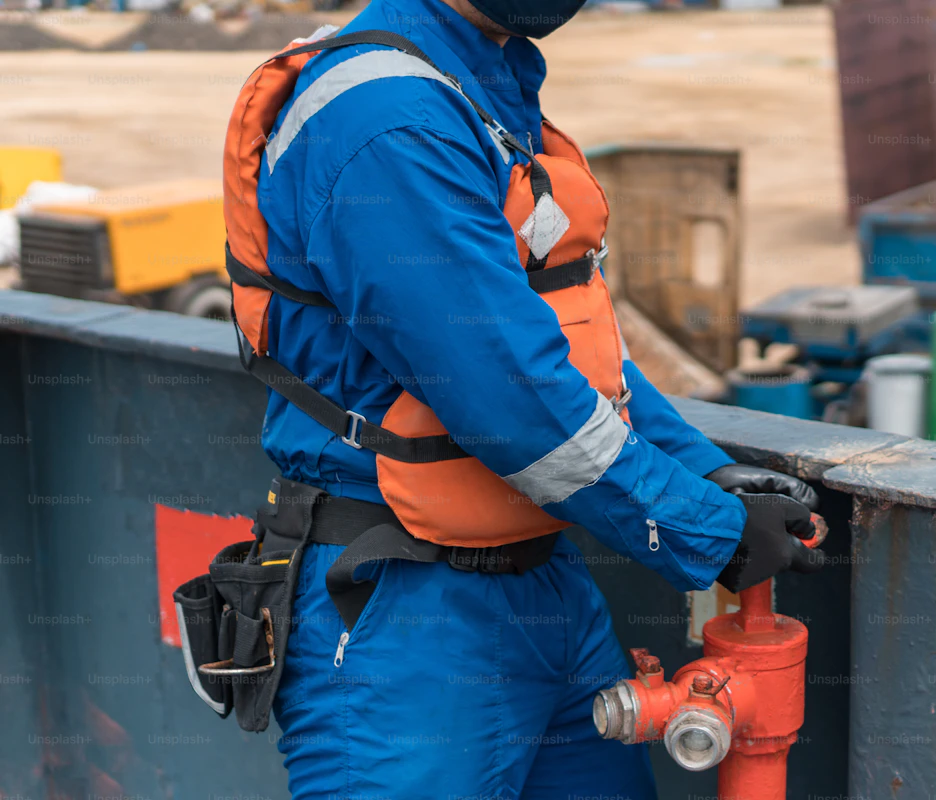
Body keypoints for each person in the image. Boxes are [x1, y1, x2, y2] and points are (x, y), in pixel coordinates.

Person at [230, 0, 824, 795]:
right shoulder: (387, 121)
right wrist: (705, 529)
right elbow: (507, 392)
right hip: (399, 610)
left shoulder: (480, 83)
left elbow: (566, 343)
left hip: (544, 587)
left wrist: (703, 471)